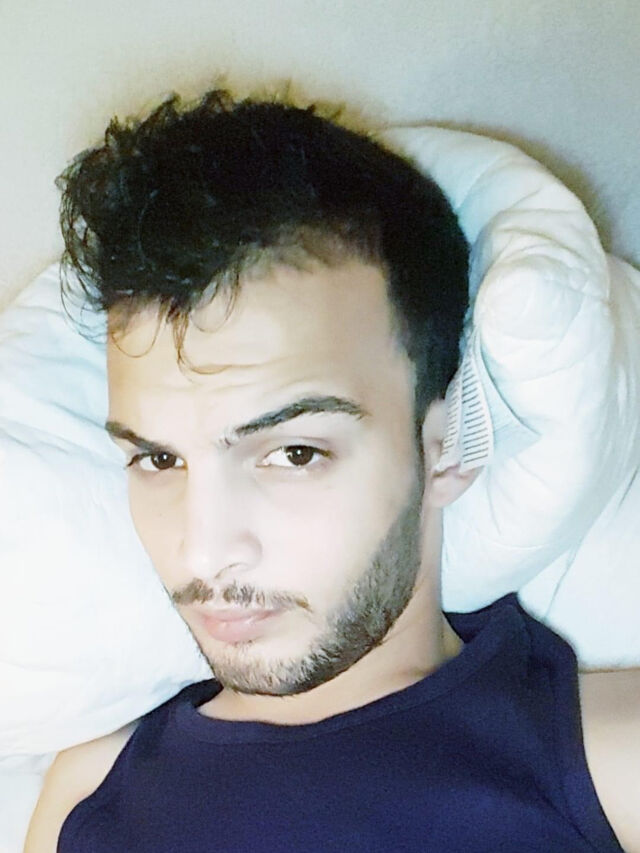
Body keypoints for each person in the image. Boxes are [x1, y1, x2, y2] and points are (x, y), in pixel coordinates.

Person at [25, 89, 638, 853]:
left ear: (444, 448)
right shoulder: (86, 790)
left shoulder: (611, 763)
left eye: (294, 452)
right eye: (158, 457)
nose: (203, 551)